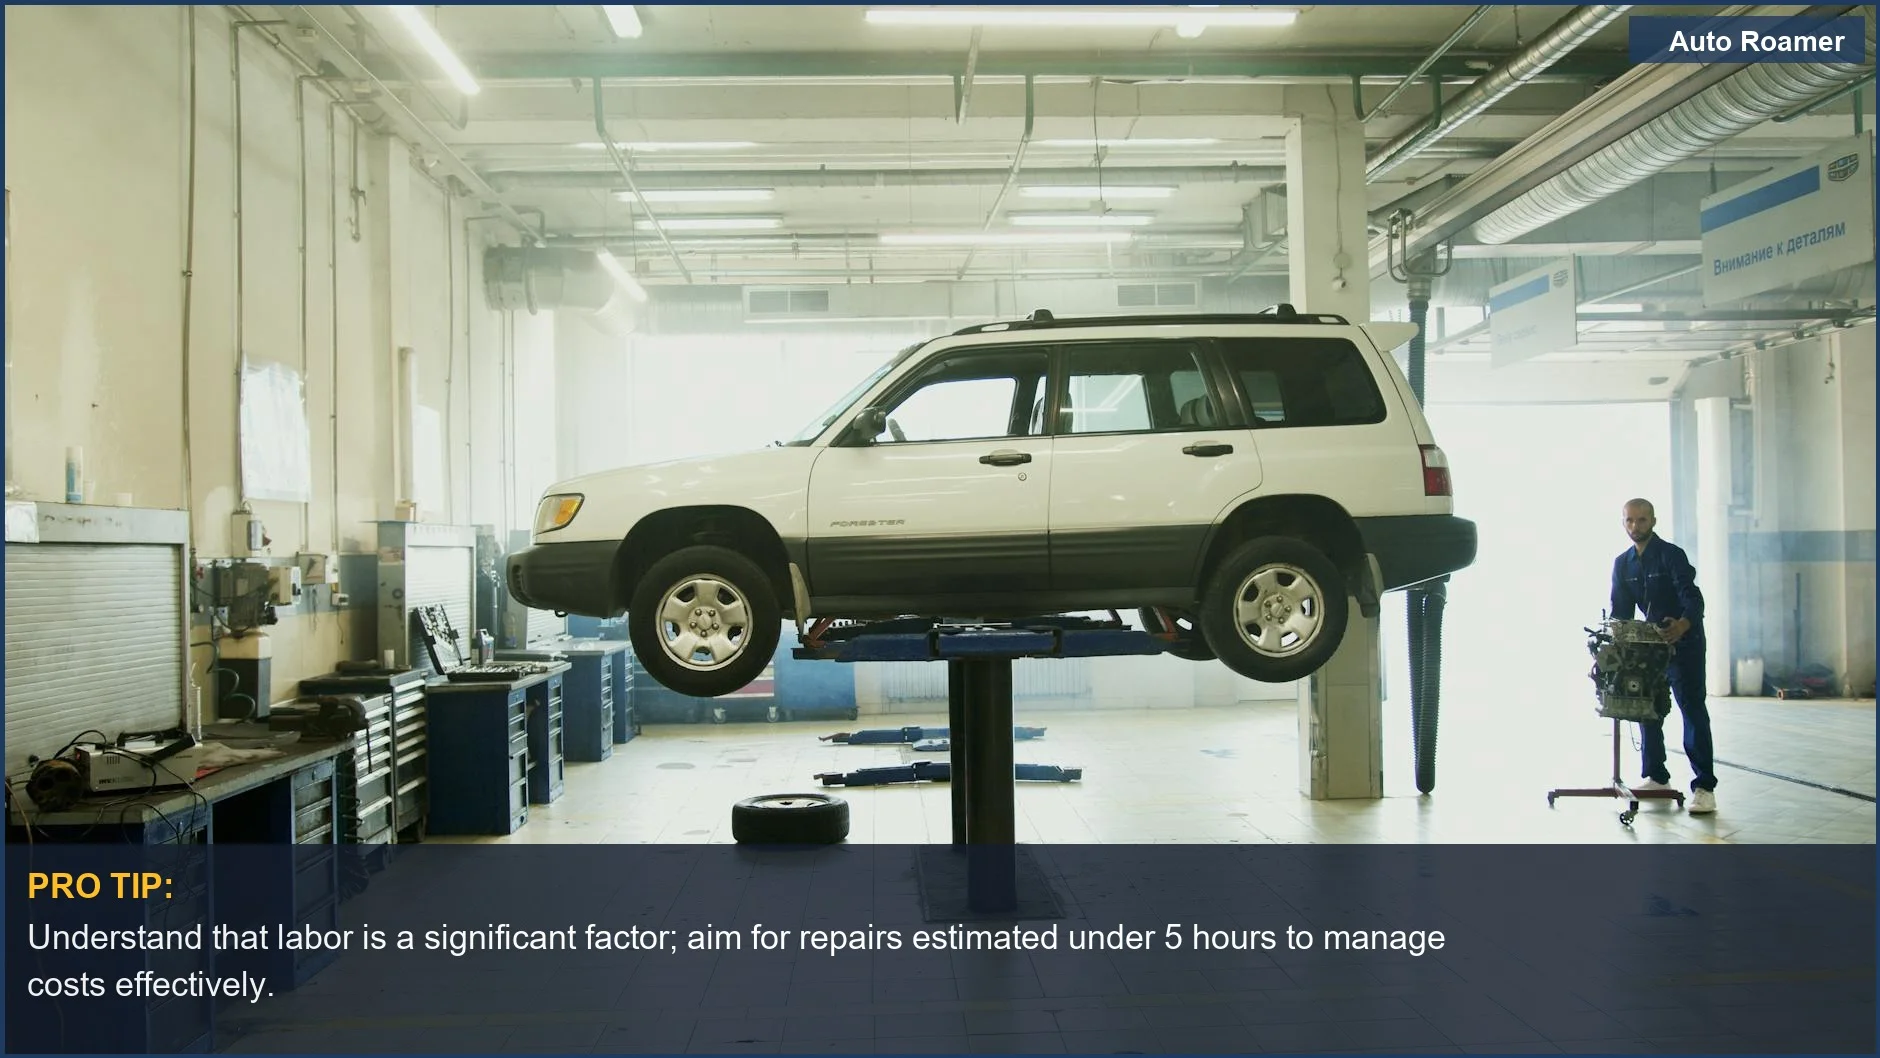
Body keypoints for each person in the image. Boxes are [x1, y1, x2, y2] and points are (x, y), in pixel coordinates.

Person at [1609, 498, 1717, 814]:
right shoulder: (1623, 564)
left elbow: (1693, 600)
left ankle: (1705, 787)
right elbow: (1621, 612)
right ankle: (1656, 777)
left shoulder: (1671, 556)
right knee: (1648, 708)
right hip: (1650, 649)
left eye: (1642, 520)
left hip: (1686, 644)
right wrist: (1619, 641)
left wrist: (1682, 625)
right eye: (1629, 520)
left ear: (1653, 521)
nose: (1635, 527)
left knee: (1692, 709)